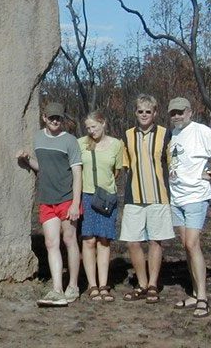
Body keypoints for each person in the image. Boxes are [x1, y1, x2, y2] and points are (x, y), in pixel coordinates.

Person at [167, 97, 211, 319]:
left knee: (192, 243)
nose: (176, 116)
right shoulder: (174, 134)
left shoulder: (200, 131)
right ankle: (195, 293)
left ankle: (203, 297)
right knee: (186, 246)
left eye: (180, 112)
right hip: (176, 197)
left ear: (189, 112)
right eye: (173, 113)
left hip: (196, 196)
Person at [16, 102, 83, 306]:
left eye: (58, 118)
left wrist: (75, 204)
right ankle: (56, 289)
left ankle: (72, 286)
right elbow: (42, 168)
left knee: (70, 241)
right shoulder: (38, 138)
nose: (55, 121)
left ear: (63, 119)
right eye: (51, 117)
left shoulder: (70, 141)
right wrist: (28, 160)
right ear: (44, 118)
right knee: (51, 243)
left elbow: (78, 174)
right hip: (46, 199)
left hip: (67, 198)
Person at [119, 94, 174, 304]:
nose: (144, 115)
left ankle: (152, 285)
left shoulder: (165, 134)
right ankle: (141, 283)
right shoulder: (127, 136)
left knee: (155, 240)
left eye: (148, 111)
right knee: (132, 241)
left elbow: (172, 164)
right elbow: (124, 166)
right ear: (135, 113)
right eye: (140, 111)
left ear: (155, 113)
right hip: (134, 197)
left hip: (158, 196)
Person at [78, 111, 123, 302]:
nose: (91, 131)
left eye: (94, 127)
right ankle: (92, 285)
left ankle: (104, 285)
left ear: (103, 123)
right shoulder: (80, 144)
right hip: (87, 196)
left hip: (106, 198)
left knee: (104, 241)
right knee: (88, 240)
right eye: (88, 128)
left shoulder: (116, 145)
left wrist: (106, 189)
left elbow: (117, 171)